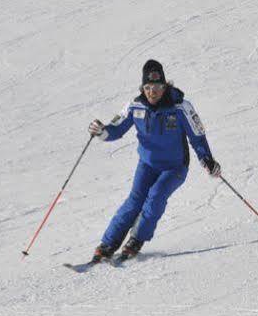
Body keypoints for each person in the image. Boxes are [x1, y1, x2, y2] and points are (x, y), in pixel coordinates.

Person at [87, 59, 221, 261]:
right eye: (148, 88)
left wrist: (207, 160)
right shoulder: (135, 106)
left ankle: (136, 240)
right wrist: (102, 132)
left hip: (174, 167)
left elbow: (197, 136)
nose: (152, 92)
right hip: (147, 165)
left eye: (157, 87)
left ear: (165, 86)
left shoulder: (181, 107)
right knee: (134, 201)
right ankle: (108, 243)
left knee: (156, 196)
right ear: (143, 88)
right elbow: (116, 129)